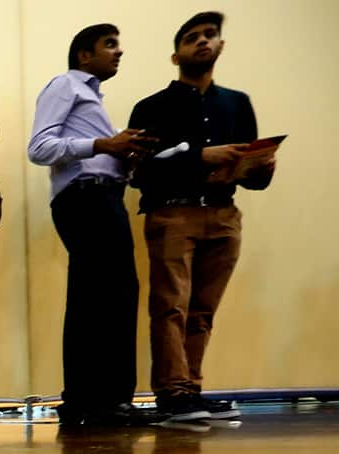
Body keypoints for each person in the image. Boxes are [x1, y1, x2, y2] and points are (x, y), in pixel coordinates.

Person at [128, 11, 273, 422]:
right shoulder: (152, 107)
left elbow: (254, 178)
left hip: (224, 214)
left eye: (210, 35)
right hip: (173, 213)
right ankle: (173, 395)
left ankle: (190, 389)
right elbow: (138, 173)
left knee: (203, 310)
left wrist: (260, 168)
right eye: (193, 38)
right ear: (176, 56)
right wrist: (198, 157)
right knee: (171, 306)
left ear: (221, 46)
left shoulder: (237, 103)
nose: (203, 42)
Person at [28, 25, 162, 427]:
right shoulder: (66, 85)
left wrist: (127, 157)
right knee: (106, 297)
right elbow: (39, 148)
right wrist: (104, 145)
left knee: (104, 298)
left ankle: (96, 402)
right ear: (84, 55)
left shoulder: (93, 101)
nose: (119, 52)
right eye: (110, 45)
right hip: (85, 198)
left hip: (102, 196)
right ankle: (97, 402)